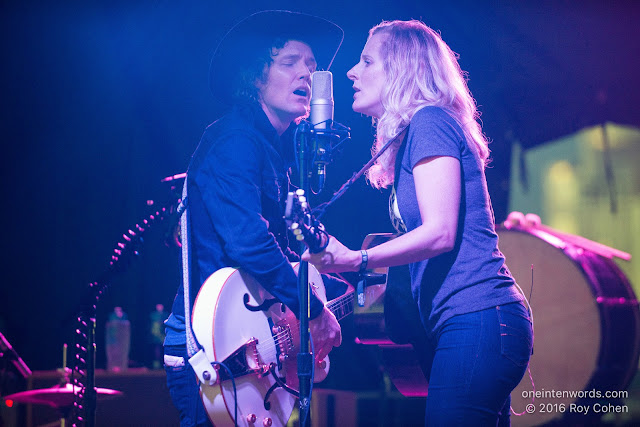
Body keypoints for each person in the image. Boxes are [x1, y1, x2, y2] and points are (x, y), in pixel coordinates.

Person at [303, 20, 533, 425]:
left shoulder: (430, 121)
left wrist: (357, 259)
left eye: (367, 60)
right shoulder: (417, 132)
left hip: (477, 317)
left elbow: (440, 233)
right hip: (469, 325)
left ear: (402, 69)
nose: (351, 72)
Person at [162, 11, 345, 426]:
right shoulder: (237, 139)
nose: (306, 73)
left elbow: (273, 250)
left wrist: (344, 285)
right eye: (290, 62)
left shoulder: (267, 145)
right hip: (215, 348)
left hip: (242, 339)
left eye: (312, 66)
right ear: (255, 78)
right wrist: (314, 311)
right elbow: (249, 242)